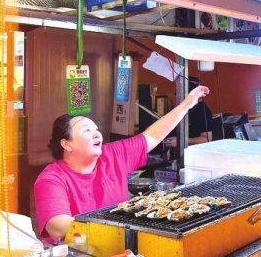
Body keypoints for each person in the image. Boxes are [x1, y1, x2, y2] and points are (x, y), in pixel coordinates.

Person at [34, 84, 210, 243]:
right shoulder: (51, 179)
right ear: (66, 144)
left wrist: (186, 104)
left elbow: (152, 136)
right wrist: (118, 226)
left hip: (120, 247)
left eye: (96, 129)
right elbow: (58, 227)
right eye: (87, 130)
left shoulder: (112, 155)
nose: (97, 134)